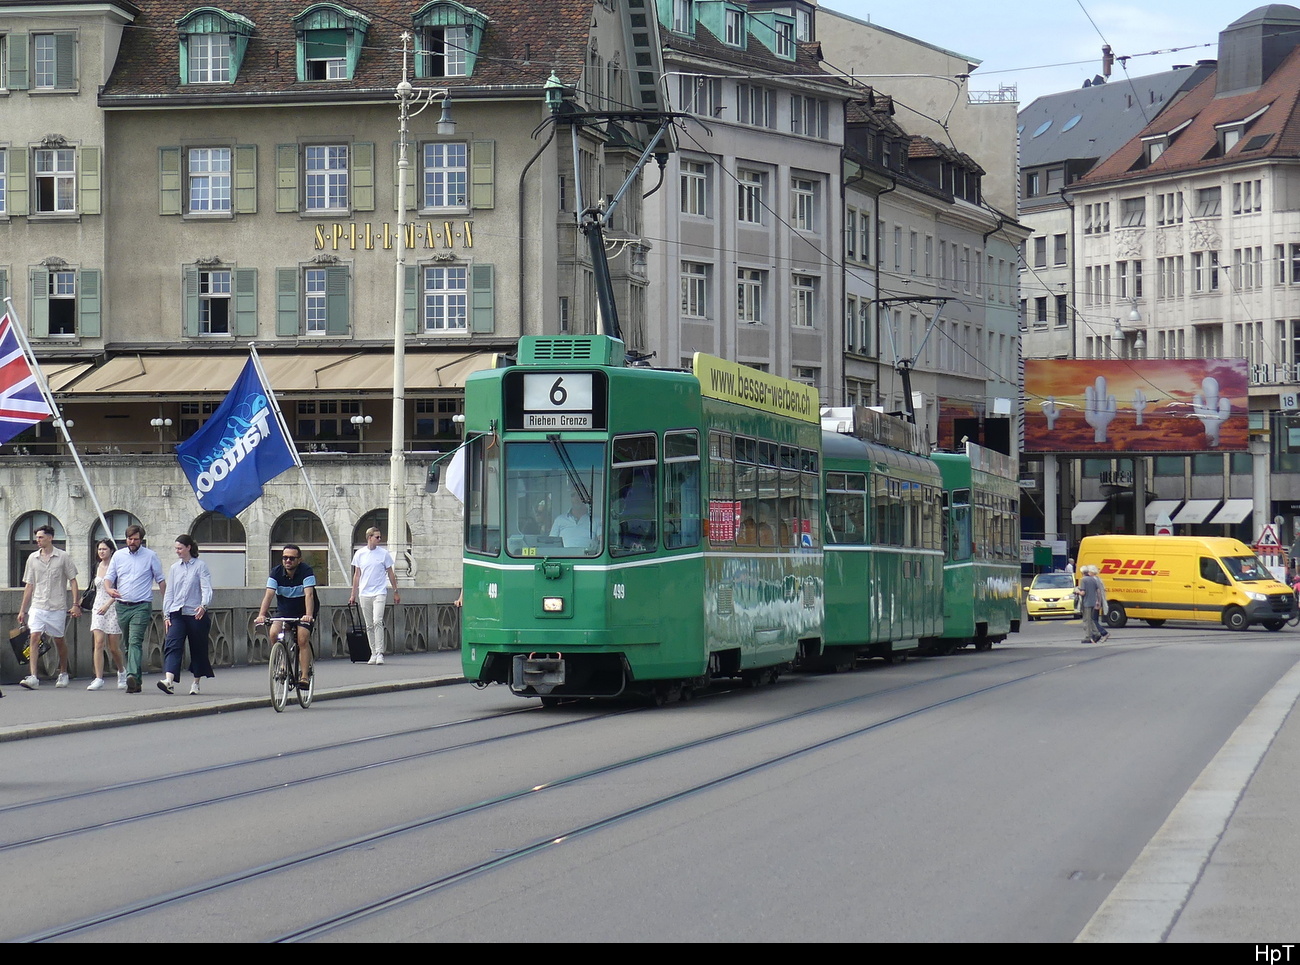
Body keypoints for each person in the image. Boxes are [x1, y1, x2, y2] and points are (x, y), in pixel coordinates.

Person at [16, 524, 81, 689]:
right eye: (37, 537)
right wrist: (23, 609)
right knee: (34, 637)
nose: (38, 540)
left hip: (57, 605)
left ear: (50, 537)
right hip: (38, 605)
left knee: (59, 640)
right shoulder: (32, 558)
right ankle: (33, 677)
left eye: (41, 537)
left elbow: (73, 580)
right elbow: (29, 585)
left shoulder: (63, 557)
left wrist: (75, 604)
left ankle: (64, 672)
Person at [104, 524, 166, 694]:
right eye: (130, 539)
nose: (132, 542)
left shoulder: (150, 556)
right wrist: (109, 589)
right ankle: (136, 682)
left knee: (135, 641)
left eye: (136, 539)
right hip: (122, 606)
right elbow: (109, 578)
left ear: (141, 540)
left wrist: (166, 604)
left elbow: (160, 580)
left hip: (141, 605)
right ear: (126, 539)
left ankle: (131, 675)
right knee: (127, 644)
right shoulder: (118, 555)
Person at [159, 535, 214, 695]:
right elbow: (169, 592)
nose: (177, 551)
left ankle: (196, 682)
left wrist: (204, 605)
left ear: (189, 547)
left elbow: (206, 587)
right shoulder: (175, 568)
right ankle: (169, 680)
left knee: (198, 648)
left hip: (195, 613)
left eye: (180, 548)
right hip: (177, 612)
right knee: (172, 644)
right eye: (176, 548)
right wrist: (166, 615)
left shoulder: (200, 566)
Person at [256, 544, 316, 689]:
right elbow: (269, 594)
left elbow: (309, 594)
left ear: (299, 560)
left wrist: (308, 615)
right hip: (284, 610)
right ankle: (282, 663)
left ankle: (304, 676)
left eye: (291, 558)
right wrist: (261, 615)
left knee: (302, 638)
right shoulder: (276, 572)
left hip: (303, 611)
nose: (287, 561)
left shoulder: (306, 571)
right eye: (285, 558)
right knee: (274, 632)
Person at [348, 527, 399, 665]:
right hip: (364, 593)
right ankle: (373, 653)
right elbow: (357, 575)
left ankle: (380, 652)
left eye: (380, 537)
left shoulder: (384, 554)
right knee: (369, 625)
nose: (379, 539)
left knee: (377, 621)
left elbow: (390, 573)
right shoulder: (360, 554)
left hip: (379, 592)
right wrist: (353, 594)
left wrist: (395, 591)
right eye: (377, 537)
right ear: (369, 537)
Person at [87, 538, 127, 691]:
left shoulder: (117, 567)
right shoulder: (96, 567)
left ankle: (121, 671)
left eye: (104, 549)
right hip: (98, 606)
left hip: (113, 606)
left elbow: (120, 589)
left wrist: (108, 604)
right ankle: (98, 678)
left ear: (111, 550)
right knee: (98, 642)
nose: (101, 552)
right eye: (99, 549)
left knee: (113, 647)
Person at [1077, 564, 1109, 644]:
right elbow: (1098, 591)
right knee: (1092, 619)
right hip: (1094, 602)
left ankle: (1089, 636)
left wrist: (1077, 591)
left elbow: (1083, 592)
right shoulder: (1094, 579)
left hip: (1087, 603)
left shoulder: (1084, 580)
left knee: (1087, 620)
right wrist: (1098, 601)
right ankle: (1097, 633)